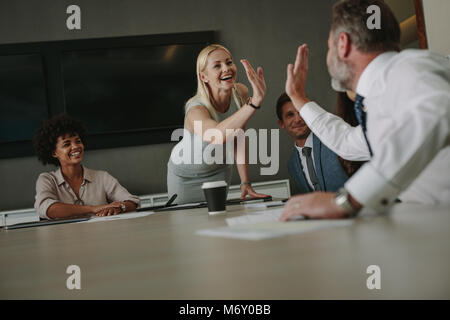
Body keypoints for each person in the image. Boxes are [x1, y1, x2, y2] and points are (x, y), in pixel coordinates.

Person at [281, 0, 450, 220]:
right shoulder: (386, 94)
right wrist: (299, 99)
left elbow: (437, 109)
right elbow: (348, 143)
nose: (328, 55)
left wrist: (347, 200)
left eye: (329, 46)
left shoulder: (406, 68)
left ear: (343, 44)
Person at [167, 44, 269, 204]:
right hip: (184, 176)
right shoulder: (195, 109)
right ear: (203, 77)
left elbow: (238, 136)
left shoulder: (240, 92)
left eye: (229, 62)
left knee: (218, 219)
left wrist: (245, 182)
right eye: (217, 66)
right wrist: (254, 103)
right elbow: (216, 136)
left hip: (218, 170)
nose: (226, 68)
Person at [34, 114, 140, 219]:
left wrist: (119, 208)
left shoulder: (102, 177)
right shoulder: (47, 179)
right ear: (54, 153)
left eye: (78, 141)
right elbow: (48, 208)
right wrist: (93, 209)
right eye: (67, 144)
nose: (75, 147)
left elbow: (132, 201)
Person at [276, 92, 349, 194]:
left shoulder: (332, 140)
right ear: (281, 124)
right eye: (290, 115)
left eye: (301, 112)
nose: (298, 119)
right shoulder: (292, 164)